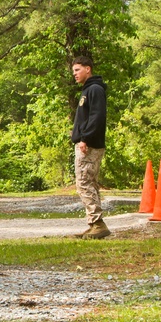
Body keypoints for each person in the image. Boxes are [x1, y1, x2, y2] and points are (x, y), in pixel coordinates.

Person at [70, 56, 109, 239]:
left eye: (77, 70)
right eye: (73, 71)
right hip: (88, 143)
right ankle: (94, 223)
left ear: (88, 69)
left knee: (84, 183)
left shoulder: (94, 90)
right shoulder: (89, 90)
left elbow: (96, 117)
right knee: (90, 183)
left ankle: (98, 223)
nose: (74, 74)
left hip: (89, 145)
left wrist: (85, 138)